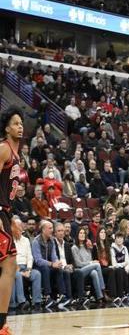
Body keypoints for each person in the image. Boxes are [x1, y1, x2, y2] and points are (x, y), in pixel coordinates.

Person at [0, 106, 24, 335]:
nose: (20, 127)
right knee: (9, 264)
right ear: (7, 128)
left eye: (21, 123)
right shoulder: (4, 149)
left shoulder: (17, 155)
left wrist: (11, 218)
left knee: (8, 265)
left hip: (5, 212)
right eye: (16, 123)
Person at [71, 227, 110, 305]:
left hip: (88, 269)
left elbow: (90, 260)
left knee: (94, 272)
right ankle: (103, 290)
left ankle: (99, 297)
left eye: (83, 233)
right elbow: (78, 264)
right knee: (97, 264)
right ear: (77, 235)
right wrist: (91, 263)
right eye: (80, 233)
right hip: (79, 271)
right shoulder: (74, 248)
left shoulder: (87, 247)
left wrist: (91, 260)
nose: (82, 235)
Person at [10, 218, 42, 311]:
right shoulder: (10, 240)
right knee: (18, 275)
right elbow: (10, 258)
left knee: (36, 274)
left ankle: (36, 302)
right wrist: (19, 270)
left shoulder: (26, 240)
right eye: (17, 228)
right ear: (12, 228)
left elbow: (30, 257)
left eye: (20, 227)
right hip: (14, 268)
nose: (19, 229)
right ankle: (22, 302)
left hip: (25, 267)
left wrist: (29, 269)